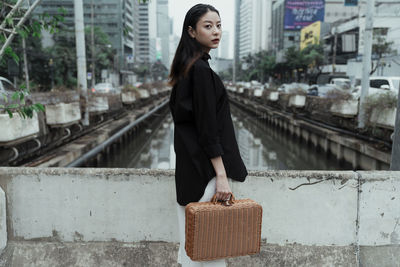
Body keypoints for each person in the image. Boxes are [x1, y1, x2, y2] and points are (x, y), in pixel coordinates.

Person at [168, 4, 248, 267]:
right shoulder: (201, 72)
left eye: (218, 25)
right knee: (211, 252)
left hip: (189, 170)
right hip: (206, 174)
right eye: (208, 26)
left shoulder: (186, 69)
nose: (216, 31)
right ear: (191, 31)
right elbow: (208, 130)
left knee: (191, 247)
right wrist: (222, 177)